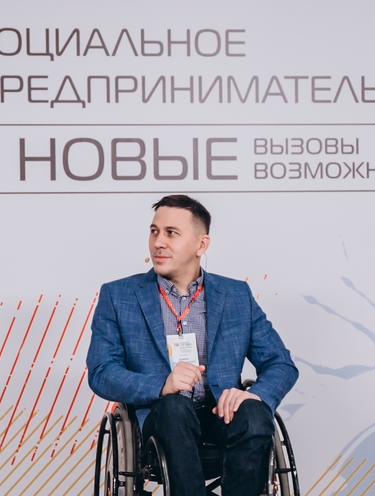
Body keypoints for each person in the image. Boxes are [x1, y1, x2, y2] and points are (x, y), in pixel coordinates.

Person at [87, 194, 298, 496]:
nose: (159, 242)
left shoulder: (235, 295)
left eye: (171, 233)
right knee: (175, 408)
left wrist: (255, 395)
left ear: (201, 245)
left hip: (220, 414)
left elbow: (281, 363)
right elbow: (102, 372)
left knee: (253, 413)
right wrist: (162, 385)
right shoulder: (118, 296)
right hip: (162, 419)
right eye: (154, 231)